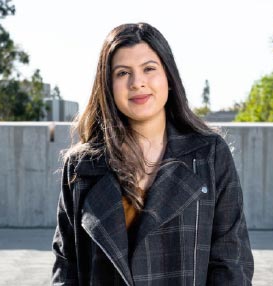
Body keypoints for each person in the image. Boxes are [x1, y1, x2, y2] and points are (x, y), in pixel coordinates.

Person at [51, 23, 254, 286]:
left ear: (168, 77)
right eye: (123, 73)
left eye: (149, 69)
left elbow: (231, 262)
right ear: (108, 85)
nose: (138, 83)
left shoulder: (209, 155)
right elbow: (66, 266)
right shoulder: (81, 166)